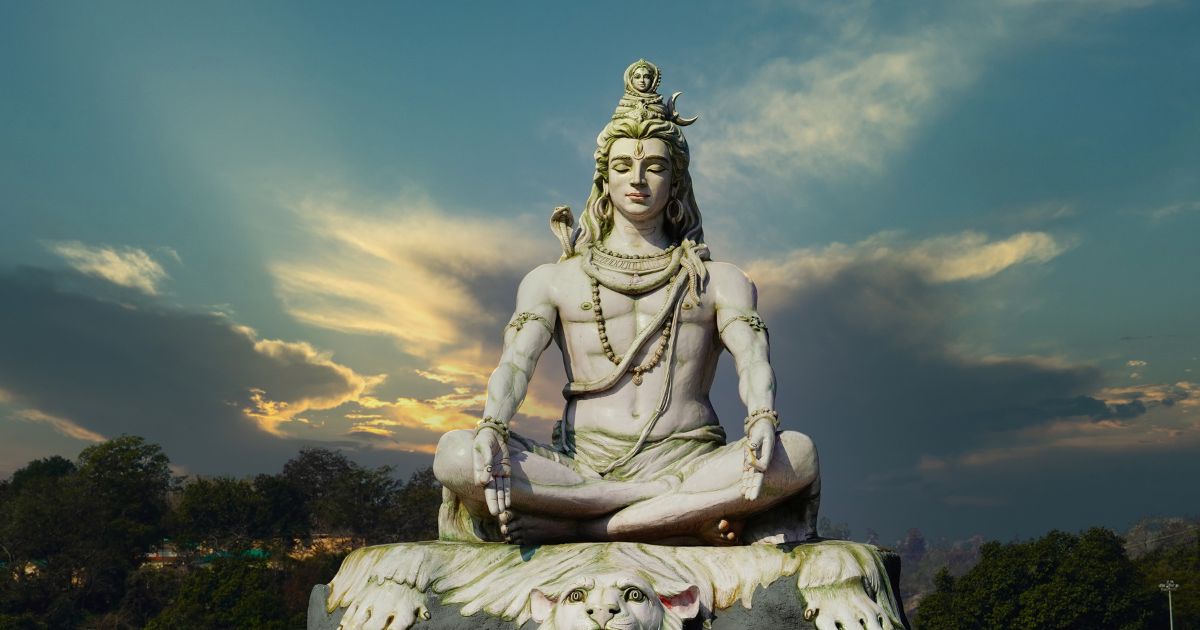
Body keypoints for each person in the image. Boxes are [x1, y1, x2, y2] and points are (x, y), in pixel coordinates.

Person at [433, 60, 820, 546]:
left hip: (688, 462)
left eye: (654, 166)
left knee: (798, 455)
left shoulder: (720, 281)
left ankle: (586, 525)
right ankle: (664, 514)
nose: (638, 179)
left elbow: (753, 360)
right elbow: (515, 363)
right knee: (454, 454)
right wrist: (493, 425)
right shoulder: (554, 280)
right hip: (583, 467)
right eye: (623, 167)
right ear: (604, 180)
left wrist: (762, 416)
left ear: (675, 180)